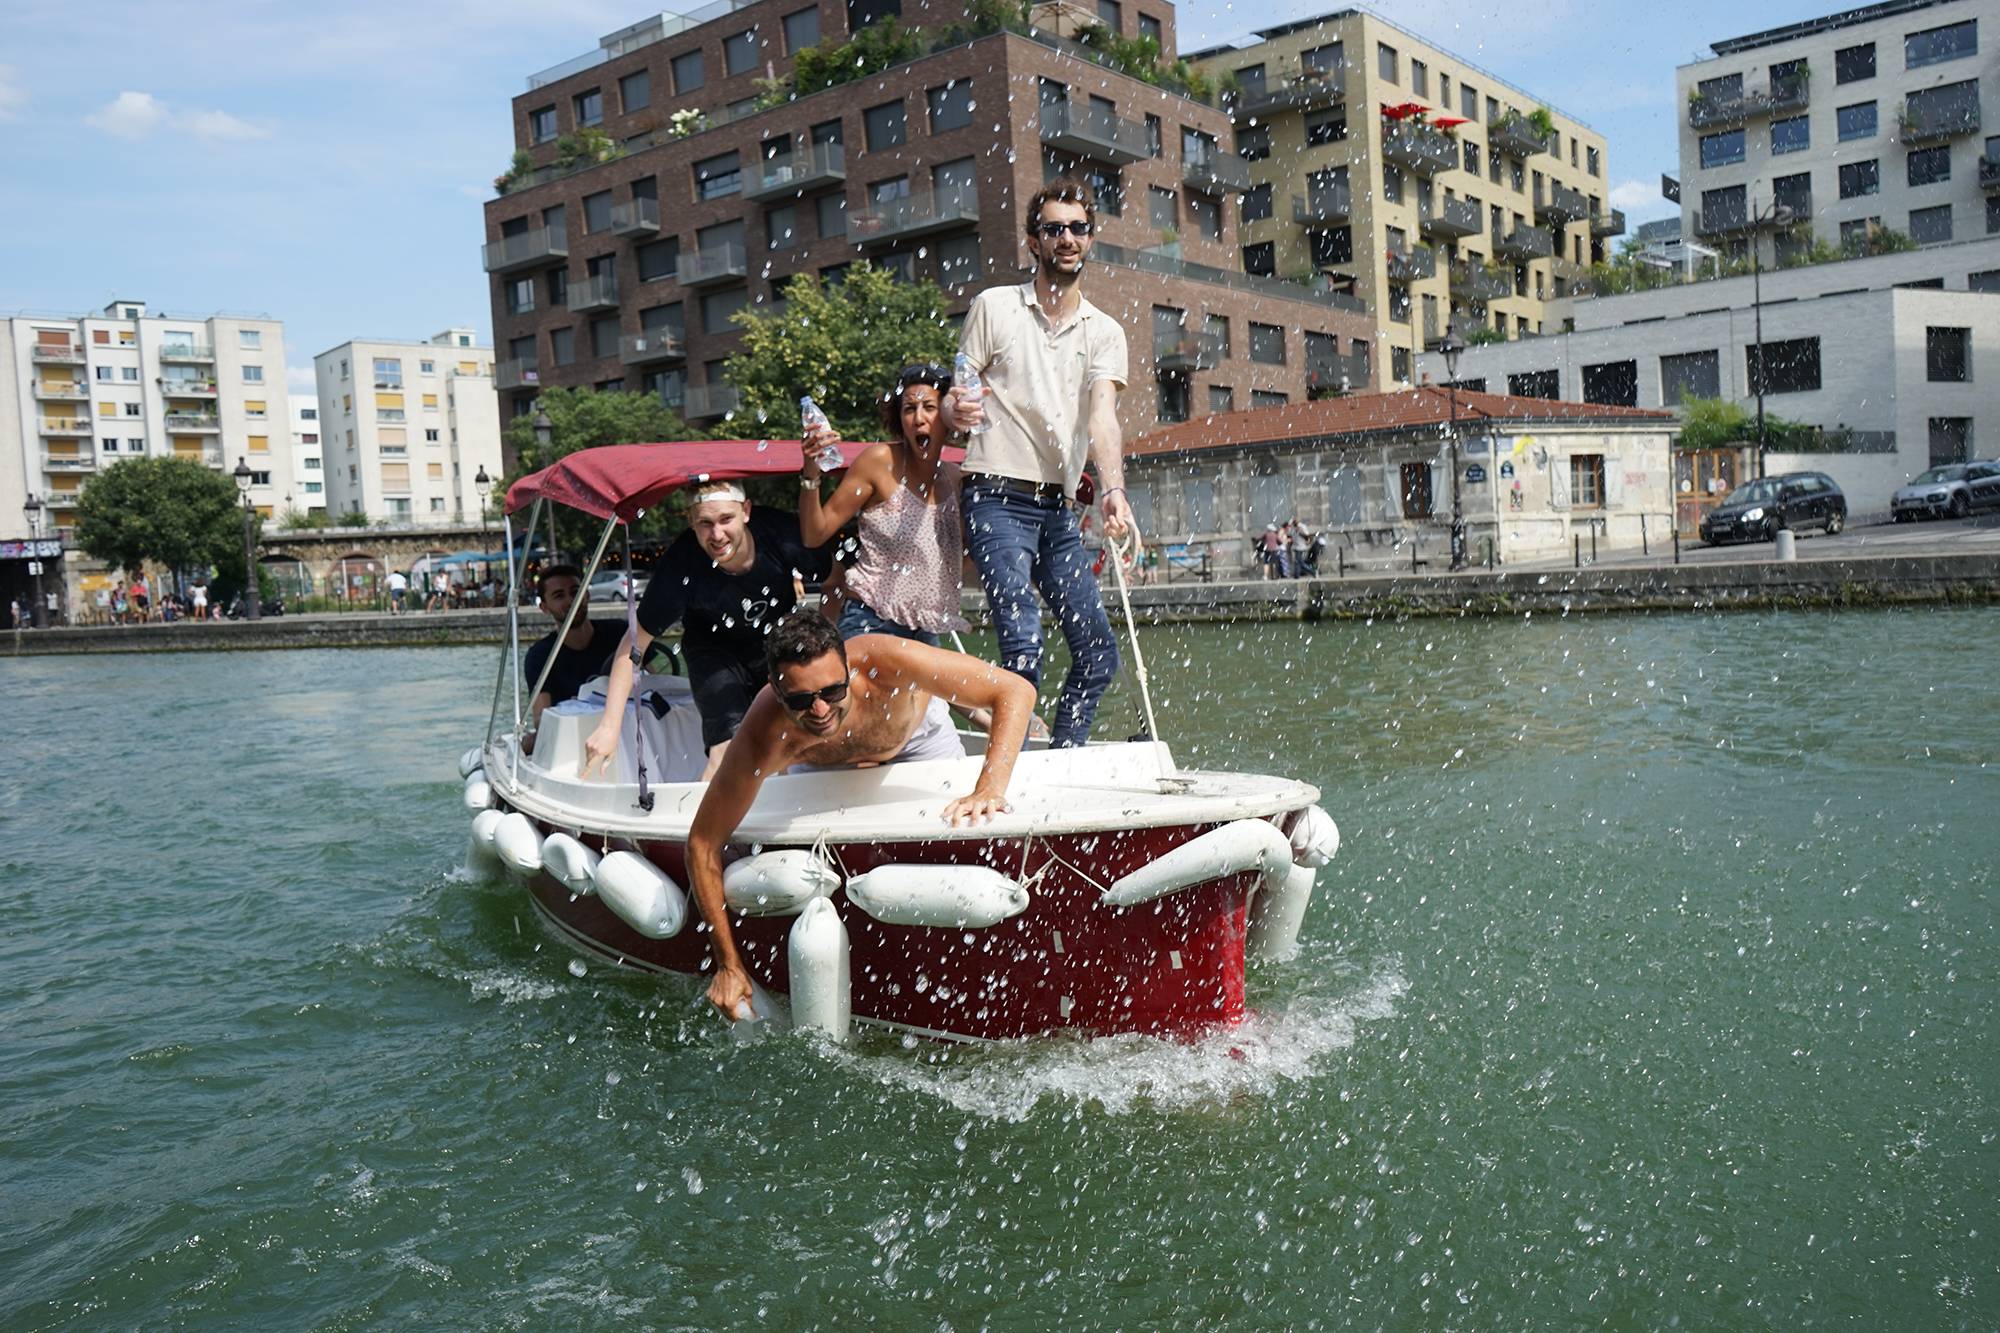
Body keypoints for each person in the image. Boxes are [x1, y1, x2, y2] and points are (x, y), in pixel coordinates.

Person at [683, 609, 1037, 1019]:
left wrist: (989, 786)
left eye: (833, 691)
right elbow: (703, 843)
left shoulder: (884, 659)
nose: (819, 710)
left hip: (918, 743)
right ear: (777, 693)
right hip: (822, 767)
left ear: (848, 671)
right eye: (800, 700)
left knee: (968, 828)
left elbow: (1015, 691)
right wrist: (729, 964)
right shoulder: (766, 728)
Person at [943, 174, 1135, 748]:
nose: (1068, 238)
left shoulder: (1105, 331)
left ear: (1091, 239)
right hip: (995, 496)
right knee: (1023, 644)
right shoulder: (993, 307)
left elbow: (1103, 417)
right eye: (1055, 229)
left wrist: (1113, 490)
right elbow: (960, 387)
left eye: (1079, 228)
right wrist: (956, 408)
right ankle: (1007, 771)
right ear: (1034, 241)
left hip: (1058, 512)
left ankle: (1063, 757)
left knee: (1099, 654)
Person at [582, 481, 831, 780]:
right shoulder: (680, 565)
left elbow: (837, 578)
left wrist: (824, 647)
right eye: (705, 523)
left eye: (726, 519)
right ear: (691, 522)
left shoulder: (782, 534)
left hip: (778, 642)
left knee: (793, 739)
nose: (717, 535)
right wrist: (609, 727)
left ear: (746, 511)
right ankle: (702, 825)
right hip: (713, 652)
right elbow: (633, 644)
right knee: (727, 750)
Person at [797, 363, 966, 645]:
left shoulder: (956, 479)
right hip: (872, 621)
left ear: (947, 417)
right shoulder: (878, 462)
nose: (918, 418)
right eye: (909, 409)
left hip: (927, 629)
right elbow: (814, 534)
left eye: (929, 407)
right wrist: (811, 472)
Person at [522, 564, 623, 735]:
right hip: (574, 736)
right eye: (559, 596)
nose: (571, 601)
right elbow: (540, 718)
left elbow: (654, 681)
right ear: (545, 607)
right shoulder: (540, 655)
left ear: (587, 595)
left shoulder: (621, 633)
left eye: (576, 592)